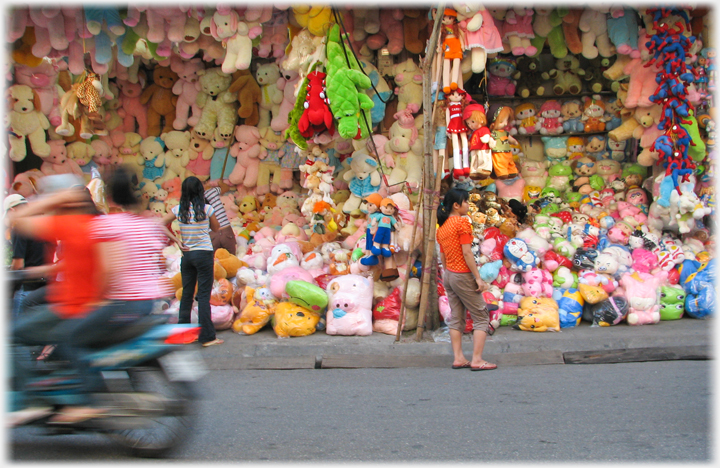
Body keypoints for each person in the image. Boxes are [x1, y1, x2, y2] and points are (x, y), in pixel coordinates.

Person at [46, 167, 178, 423]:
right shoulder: (147, 225)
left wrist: (96, 298)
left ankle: (88, 399)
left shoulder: (106, 224)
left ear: (108, 197)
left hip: (122, 304)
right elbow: (157, 264)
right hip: (148, 304)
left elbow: (109, 269)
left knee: (68, 337)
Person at [8, 176, 106, 424]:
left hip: (69, 308)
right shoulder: (95, 225)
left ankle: (31, 401)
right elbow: (65, 265)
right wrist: (25, 273)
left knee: (10, 335)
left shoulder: (68, 224)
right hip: (86, 305)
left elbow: (16, 220)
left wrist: (52, 198)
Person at [435, 188, 496, 371]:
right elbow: (467, 253)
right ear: (456, 205)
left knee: (457, 318)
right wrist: (477, 277)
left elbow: (443, 256)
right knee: (481, 316)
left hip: (449, 275)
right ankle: (477, 359)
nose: (468, 205)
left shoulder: (443, 227)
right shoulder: (462, 223)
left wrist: (448, 274)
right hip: (462, 274)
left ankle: (459, 358)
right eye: (466, 202)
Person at [161, 176, 223, 347]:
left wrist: (177, 240)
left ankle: (183, 334)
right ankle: (207, 337)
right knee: (203, 295)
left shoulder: (178, 209)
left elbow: (160, 224)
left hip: (187, 255)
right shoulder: (207, 209)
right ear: (200, 191)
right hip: (203, 254)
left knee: (187, 294)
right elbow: (217, 229)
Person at [5, 194, 57, 318]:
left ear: (12, 211)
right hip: (47, 287)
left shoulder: (20, 227)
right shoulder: (46, 225)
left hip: (28, 287)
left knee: (17, 331)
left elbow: (18, 265)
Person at [203, 182, 236, 255]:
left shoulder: (194, 202)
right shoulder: (212, 192)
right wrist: (218, 183)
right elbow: (226, 187)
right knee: (232, 259)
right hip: (226, 231)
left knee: (215, 262)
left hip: (212, 234)